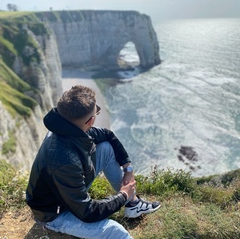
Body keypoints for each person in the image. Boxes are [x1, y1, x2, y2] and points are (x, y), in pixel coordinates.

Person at [26, 85, 160, 239]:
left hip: (64, 192)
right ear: (90, 121)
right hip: (52, 213)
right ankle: (128, 199)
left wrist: (128, 169)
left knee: (106, 148)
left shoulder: (65, 126)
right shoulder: (64, 160)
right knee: (115, 231)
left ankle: (133, 204)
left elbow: (107, 135)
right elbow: (87, 212)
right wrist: (123, 195)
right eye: (96, 110)